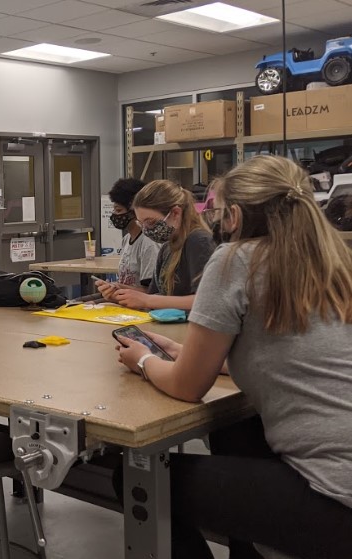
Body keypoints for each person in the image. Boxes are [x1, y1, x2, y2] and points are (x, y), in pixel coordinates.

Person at [115, 155, 352, 558]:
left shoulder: (236, 259)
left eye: (219, 212)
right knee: (234, 433)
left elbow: (188, 388)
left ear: (236, 214)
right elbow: (286, 355)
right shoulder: (334, 259)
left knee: (137, 478)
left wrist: (143, 359)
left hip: (335, 497)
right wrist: (184, 351)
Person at [106, 179, 214, 311]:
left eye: (150, 222)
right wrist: (122, 294)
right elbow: (155, 295)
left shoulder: (198, 241)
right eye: (141, 224)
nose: (145, 230)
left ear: (175, 213)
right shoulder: (167, 247)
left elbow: (206, 300)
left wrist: (147, 300)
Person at [97, 178, 161, 298]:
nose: (114, 215)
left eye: (119, 210)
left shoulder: (149, 242)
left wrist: (118, 288)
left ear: (133, 212)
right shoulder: (126, 239)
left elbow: (152, 293)